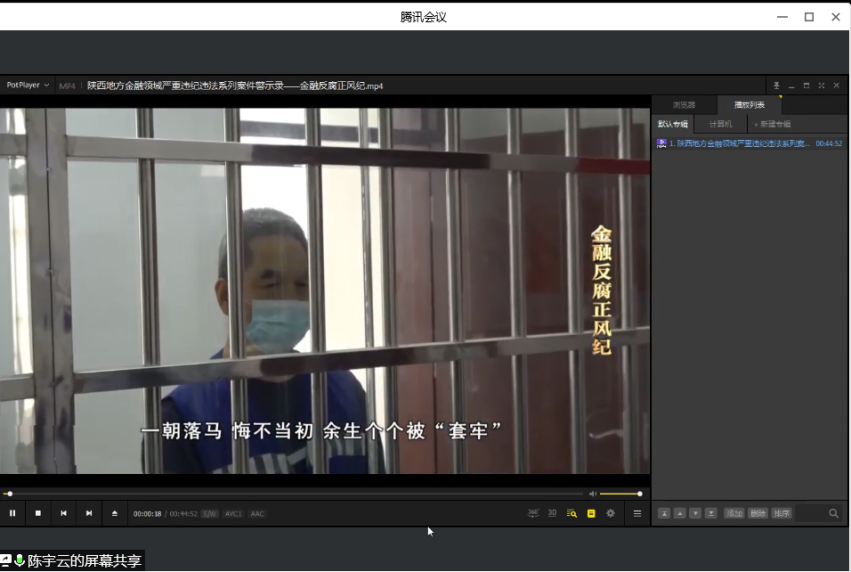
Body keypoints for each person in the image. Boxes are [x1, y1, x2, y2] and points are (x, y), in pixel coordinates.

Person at [142, 208, 383, 474]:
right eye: (271, 285)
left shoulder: (345, 390)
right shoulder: (180, 420)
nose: (290, 299)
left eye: (302, 285)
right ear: (225, 296)